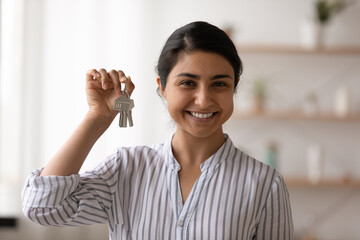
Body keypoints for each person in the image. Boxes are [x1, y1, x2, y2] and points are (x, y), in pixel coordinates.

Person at [22, 21, 293, 239]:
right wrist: (97, 118)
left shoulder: (264, 183)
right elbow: (40, 206)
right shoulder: (125, 168)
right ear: (162, 88)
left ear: (233, 88)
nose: (203, 99)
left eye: (219, 84)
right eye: (188, 83)